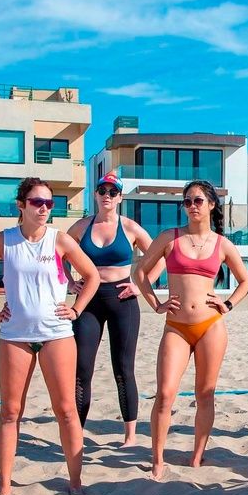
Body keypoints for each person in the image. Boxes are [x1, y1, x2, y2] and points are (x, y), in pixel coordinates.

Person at [0, 177, 100, 495]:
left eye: (49, 203)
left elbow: (92, 275)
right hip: (15, 336)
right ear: (21, 205)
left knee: (66, 410)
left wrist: (76, 309)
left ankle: (75, 482)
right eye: (37, 202)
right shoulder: (4, 240)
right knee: (11, 411)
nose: (44, 208)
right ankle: (4, 484)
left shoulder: (59, 240)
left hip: (56, 335)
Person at [135, 180, 248, 480]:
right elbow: (140, 272)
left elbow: (245, 281)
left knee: (205, 394)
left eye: (198, 200)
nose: (192, 206)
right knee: (164, 394)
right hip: (176, 326)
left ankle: (197, 456)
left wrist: (228, 304)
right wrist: (156, 304)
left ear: (211, 204)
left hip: (210, 325)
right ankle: (157, 460)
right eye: (187, 201)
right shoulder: (170, 238)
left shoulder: (222, 244)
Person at [66, 172, 154, 448]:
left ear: (120, 197)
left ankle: (130, 436)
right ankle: (77, 433)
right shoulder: (81, 226)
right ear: (95, 194)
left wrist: (141, 286)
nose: (107, 195)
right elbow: (59, 254)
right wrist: (69, 281)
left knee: (123, 368)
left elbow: (159, 256)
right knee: (81, 369)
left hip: (122, 299)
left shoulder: (130, 227)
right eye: (102, 191)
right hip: (89, 301)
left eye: (113, 192)